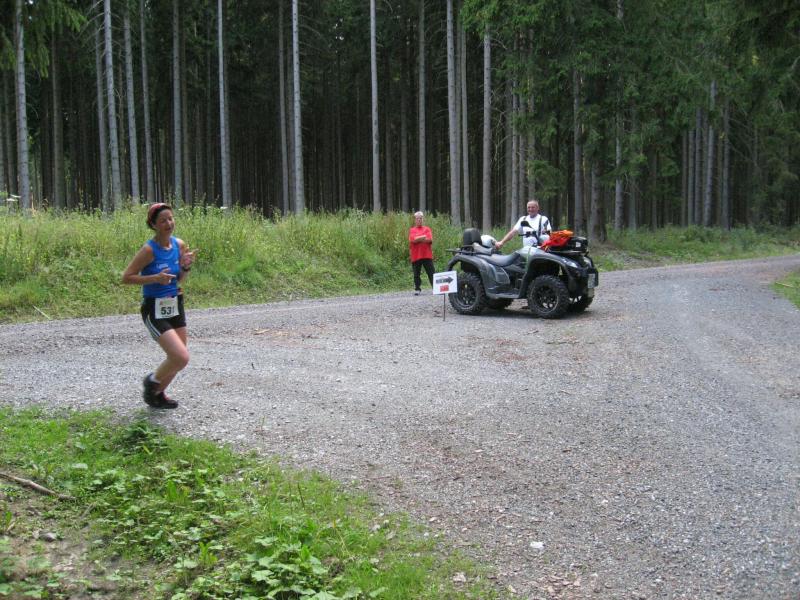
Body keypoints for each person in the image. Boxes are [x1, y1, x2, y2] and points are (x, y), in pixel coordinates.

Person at [122, 203, 197, 409]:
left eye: (171, 219)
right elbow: (126, 277)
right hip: (154, 308)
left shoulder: (179, 245)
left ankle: (156, 395)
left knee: (178, 358)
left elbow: (179, 279)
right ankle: (151, 382)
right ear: (153, 225)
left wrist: (185, 267)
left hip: (175, 304)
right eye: (163, 221)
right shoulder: (149, 250)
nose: (168, 223)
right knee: (181, 357)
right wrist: (155, 278)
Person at [408, 211, 435, 295]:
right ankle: (417, 289)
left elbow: (430, 239)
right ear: (415, 220)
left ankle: (435, 288)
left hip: (427, 255)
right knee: (416, 274)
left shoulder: (427, 229)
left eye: (420, 218)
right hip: (416, 255)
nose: (419, 220)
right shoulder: (412, 230)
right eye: (417, 218)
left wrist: (418, 238)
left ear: (423, 219)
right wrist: (423, 237)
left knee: (431, 272)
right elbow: (413, 240)